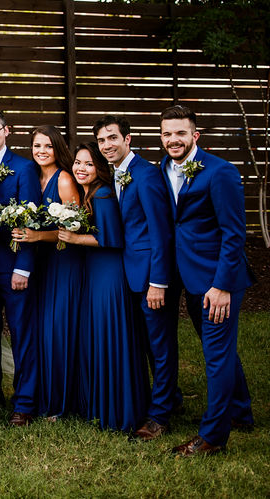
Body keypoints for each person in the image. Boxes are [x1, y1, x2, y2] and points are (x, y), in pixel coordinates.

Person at [159, 105, 253, 456]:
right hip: (187, 276)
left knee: (215, 354)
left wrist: (223, 285)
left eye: (181, 133)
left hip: (217, 280)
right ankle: (241, 414)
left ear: (195, 135)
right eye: (167, 133)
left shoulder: (221, 171)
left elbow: (234, 233)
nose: (173, 139)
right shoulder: (162, 169)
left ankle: (213, 437)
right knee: (220, 349)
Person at [93, 115, 181, 440]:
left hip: (150, 279)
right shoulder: (115, 174)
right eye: (102, 140)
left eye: (113, 138)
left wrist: (158, 282)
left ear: (128, 139)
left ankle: (158, 417)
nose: (107, 145)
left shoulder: (145, 175)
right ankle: (171, 399)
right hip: (130, 275)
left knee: (160, 346)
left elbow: (161, 233)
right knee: (146, 345)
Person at [59, 143, 149, 432]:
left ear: (99, 168)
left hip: (109, 275)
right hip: (94, 272)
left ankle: (118, 411)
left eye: (88, 164)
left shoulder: (105, 194)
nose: (80, 168)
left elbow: (111, 239)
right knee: (95, 337)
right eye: (77, 163)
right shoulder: (86, 194)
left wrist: (74, 239)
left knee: (111, 337)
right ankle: (97, 405)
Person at [0, 110, 42, 426]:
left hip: (13, 265)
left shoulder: (24, 168)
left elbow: (31, 218)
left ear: (6, 131)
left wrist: (24, 267)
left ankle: (25, 403)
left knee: (21, 333)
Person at [12, 126, 84, 420]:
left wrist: (36, 237)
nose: (41, 151)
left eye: (48, 146)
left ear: (58, 149)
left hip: (62, 263)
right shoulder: (33, 176)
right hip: (39, 264)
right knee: (41, 332)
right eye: (36, 145)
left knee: (58, 330)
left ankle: (61, 402)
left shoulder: (64, 179)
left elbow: (76, 229)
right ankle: (43, 395)